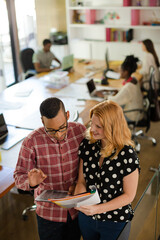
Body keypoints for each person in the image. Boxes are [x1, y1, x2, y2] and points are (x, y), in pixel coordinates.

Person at [14, 97, 86, 240]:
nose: (59, 135)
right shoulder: (31, 142)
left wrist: (80, 183)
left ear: (67, 115)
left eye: (62, 128)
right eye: (51, 130)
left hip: (76, 210)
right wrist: (31, 183)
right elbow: (19, 175)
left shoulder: (80, 131)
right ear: (42, 121)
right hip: (49, 215)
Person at [74, 100, 140, 240]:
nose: (92, 129)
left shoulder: (127, 154)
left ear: (112, 127)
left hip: (114, 221)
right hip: (87, 218)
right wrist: (78, 197)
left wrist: (98, 209)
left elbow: (129, 196)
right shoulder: (88, 144)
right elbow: (81, 181)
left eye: (99, 126)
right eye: (92, 123)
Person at [106, 55, 144, 121]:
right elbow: (125, 92)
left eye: (120, 70)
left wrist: (105, 96)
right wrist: (117, 90)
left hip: (132, 116)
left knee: (108, 115)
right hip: (138, 112)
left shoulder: (128, 87)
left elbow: (114, 101)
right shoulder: (134, 80)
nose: (119, 72)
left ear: (126, 72)